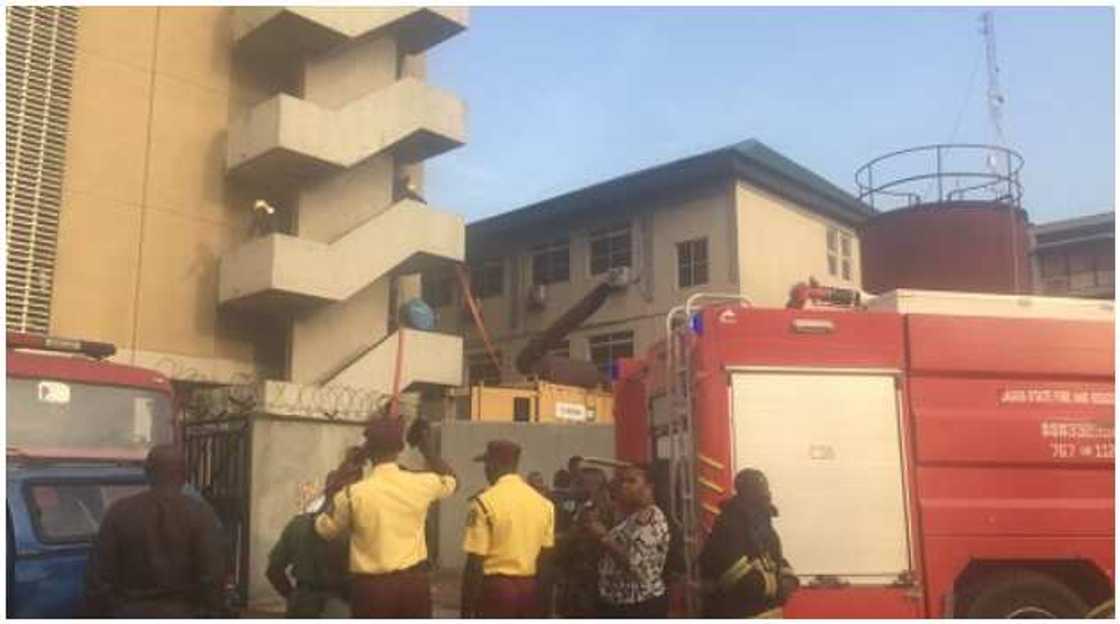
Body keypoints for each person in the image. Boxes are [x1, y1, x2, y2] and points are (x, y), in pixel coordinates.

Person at [315, 417, 457, 618]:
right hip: (414, 587)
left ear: (369, 451)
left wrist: (343, 470)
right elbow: (453, 481)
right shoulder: (421, 484)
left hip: (372, 590)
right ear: (399, 450)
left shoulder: (352, 494)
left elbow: (324, 530)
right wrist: (427, 450)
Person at [84, 445, 227, 617]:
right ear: (184, 475)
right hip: (185, 613)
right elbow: (213, 577)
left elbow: (99, 578)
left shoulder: (119, 512)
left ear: (147, 473)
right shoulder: (202, 514)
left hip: (130, 613)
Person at [460, 440, 556, 618]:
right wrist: (545, 609)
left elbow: (474, 563)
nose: (485, 470)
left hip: (496, 591)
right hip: (529, 591)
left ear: (494, 465)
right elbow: (545, 562)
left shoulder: (483, 502)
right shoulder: (544, 504)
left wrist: (465, 613)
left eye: (486, 464)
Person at [698, 468, 798, 618]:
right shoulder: (729, 524)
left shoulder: (762, 520)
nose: (768, 495)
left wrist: (788, 577)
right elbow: (734, 574)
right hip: (735, 611)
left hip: (764, 611)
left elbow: (774, 555)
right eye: (762, 491)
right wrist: (774, 587)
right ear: (748, 494)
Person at [587, 464, 671, 618]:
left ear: (649, 487)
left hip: (639, 605)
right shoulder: (633, 516)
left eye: (632, 481)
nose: (624, 486)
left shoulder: (652, 518)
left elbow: (633, 561)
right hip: (618, 603)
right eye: (623, 481)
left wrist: (603, 537)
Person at [266, 472, 351, 618]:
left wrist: (292, 597)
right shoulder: (352, 530)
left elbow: (273, 570)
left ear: (326, 493)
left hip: (302, 604)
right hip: (340, 606)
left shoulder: (298, 524)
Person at [555, 466, 615, 618]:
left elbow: (575, 539)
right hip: (588, 579)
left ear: (592, 486)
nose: (573, 487)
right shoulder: (592, 507)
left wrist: (558, 539)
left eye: (579, 483)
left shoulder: (592, 511)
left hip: (588, 581)